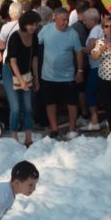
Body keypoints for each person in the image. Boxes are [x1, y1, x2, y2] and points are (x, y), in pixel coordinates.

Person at [38, 8, 84, 140]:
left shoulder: (72, 33)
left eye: (67, 20)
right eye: (62, 20)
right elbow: (37, 42)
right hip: (48, 75)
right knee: (50, 102)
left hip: (67, 75)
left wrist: (80, 70)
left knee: (72, 102)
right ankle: (54, 128)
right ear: (55, 18)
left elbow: (79, 52)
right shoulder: (46, 29)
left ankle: (72, 128)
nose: (65, 23)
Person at [5, 11, 40, 146]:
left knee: (28, 107)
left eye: (35, 25)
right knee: (15, 107)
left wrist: (36, 77)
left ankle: (28, 137)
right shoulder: (15, 37)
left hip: (26, 73)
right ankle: (14, 138)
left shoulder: (34, 37)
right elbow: (12, 61)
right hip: (11, 72)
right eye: (31, 24)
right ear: (24, 23)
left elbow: (35, 58)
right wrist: (20, 80)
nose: (33, 27)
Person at [79, 9, 105, 132]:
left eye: (86, 20)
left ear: (93, 20)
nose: (84, 22)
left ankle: (94, 120)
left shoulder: (95, 30)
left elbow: (90, 48)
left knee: (90, 92)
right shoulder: (100, 29)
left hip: (97, 66)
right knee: (101, 92)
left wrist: (78, 48)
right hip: (101, 65)